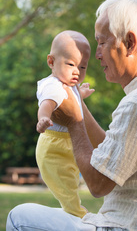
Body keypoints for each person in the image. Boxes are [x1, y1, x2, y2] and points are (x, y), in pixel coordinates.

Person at [6, 0, 137, 231]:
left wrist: (75, 123)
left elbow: (97, 185)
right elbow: (111, 155)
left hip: (125, 227)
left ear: (129, 42)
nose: (97, 55)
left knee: (19, 216)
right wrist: (76, 101)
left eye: (102, 42)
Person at [35, 30, 94, 218]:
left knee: (73, 179)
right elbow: (47, 103)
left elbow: (70, 99)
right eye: (70, 64)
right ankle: (76, 213)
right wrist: (43, 118)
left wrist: (81, 94)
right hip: (54, 146)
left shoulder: (68, 85)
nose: (77, 71)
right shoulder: (52, 85)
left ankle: (74, 211)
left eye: (83, 67)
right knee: (64, 183)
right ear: (51, 62)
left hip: (68, 142)